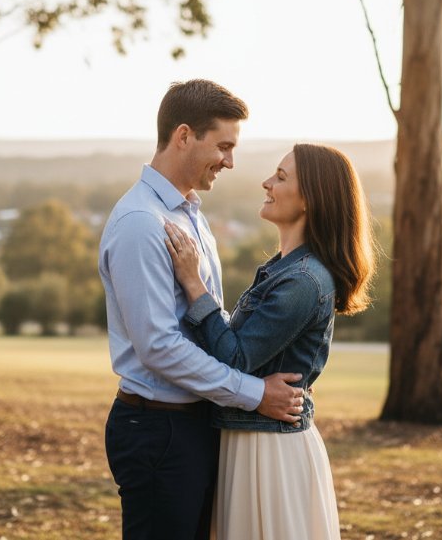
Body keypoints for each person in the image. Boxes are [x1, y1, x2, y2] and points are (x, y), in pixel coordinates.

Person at [98, 79, 304, 540]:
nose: (231, 162)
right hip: (158, 431)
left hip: (192, 424)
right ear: (184, 136)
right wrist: (255, 393)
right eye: (224, 146)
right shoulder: (140, 224)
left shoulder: (189, 212)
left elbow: (207, 320)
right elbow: (159, 347)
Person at [162, 143, 376, 540]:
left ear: (311, 198)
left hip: (268, 451)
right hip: (250, 439)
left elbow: (236, 356)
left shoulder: (302, 280)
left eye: (280, 177)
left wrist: (193, 284)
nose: (267, 183)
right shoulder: (284, 269)